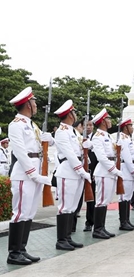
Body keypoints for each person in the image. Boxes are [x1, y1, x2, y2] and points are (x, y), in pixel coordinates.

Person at [6, 87, 55, 265]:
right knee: (19, 213)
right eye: (34, 102)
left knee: (29, 213)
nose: (36, 105)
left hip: (36, 172)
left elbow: (39, 146)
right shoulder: (16, 124)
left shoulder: (31, 124)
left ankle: (22, 249)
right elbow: (19, 151)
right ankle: (13, 253)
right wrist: (34, 175)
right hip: (24, 174)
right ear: (27, 104)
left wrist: (50, 140)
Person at [53, 100, 90, 251]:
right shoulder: (61, 132)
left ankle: (67, 237)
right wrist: (82, 171)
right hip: (68, 171)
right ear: (69, 114)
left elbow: (79, 152)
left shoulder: (73, 132)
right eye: (74, 112)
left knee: (73, 207)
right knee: (65, 207)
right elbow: (69, 155)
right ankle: (61, 240)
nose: (75, 115)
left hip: (77, 172)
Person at [90, 108, 121, 240]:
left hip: (109, 171)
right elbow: (102, 157)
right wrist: (114, 170)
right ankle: (97, 229)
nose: (110, 121)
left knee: (106, 201)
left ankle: (101, 227)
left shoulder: (108, 136)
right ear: (103, 121)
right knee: (101, 201)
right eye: (108, 119)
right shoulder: (97, 137)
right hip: (104, 172)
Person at [116, 118, 134, 231]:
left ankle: (127, 221)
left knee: (127, 197)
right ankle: (123, 222)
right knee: (123, 197)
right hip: (126, 170)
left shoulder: (129, 139)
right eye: (130, 126)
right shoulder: (123, 139)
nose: (132, 128)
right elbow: (127, 158)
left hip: (131, 169)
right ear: (125, 127)